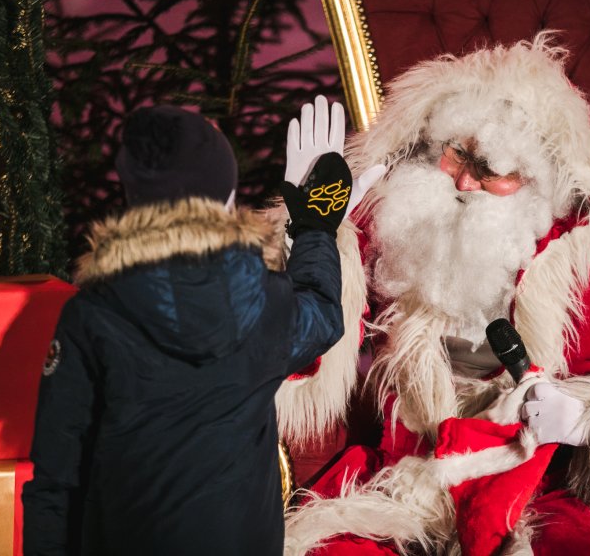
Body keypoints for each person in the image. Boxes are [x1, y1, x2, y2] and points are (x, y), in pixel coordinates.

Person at [276, 35, 590, 555]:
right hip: (404, 481)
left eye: (492, 171)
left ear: (537, 180)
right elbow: (304, 328)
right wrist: (308, 232)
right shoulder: (398, 216)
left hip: (543, 490)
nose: (466, 181)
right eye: (458, 154)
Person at [22, 101, 359, 555]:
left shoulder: (92, 315)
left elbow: (57, 475)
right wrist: (315, 226)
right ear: (226, 197)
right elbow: (322, 316)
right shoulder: (266, 302)